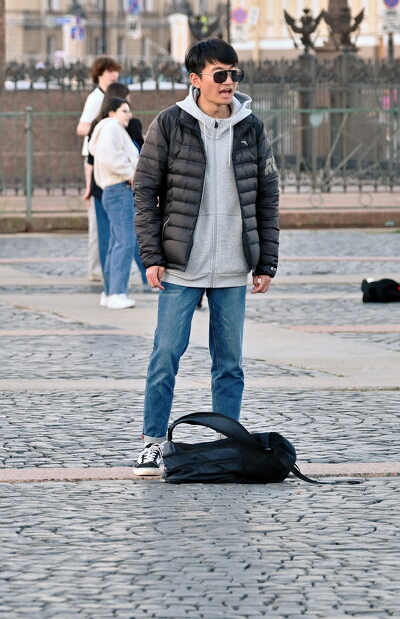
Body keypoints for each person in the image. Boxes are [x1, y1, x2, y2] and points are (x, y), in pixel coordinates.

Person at [130, 38, 279, 477]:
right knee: (165, 356)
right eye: (220, 75)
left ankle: (226, 443)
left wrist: (265, 261)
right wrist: (152, 255)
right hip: (182, 265)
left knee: (229, 364)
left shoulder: (252, 127)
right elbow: (145, 192)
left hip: (234, 266)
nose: (229, 82)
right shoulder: (170, 124)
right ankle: (153, 441)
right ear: (195, 80)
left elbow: (267, 197)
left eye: (235, 74)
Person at [87, 97, 138, 310]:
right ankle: (117, 292)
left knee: (116, 243)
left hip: (112, 190)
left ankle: (109, 292)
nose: (129, 115)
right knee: (125, 242)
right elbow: (112, 158)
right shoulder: (112, 127)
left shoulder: (106, 128)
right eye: (124, 110)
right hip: (120, 189)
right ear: (111, 112)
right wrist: (130, 176)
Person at [77, 57, 122, 283]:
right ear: (99, 74)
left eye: (115, 71)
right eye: (108, 71)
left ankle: (105, 266)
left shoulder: (115, 96)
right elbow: (82, 126)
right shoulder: (96, 98)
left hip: (108, 160)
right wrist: (103, 127)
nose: (113, 75)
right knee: (98, 219)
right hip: (95, 160)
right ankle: (96, 268)